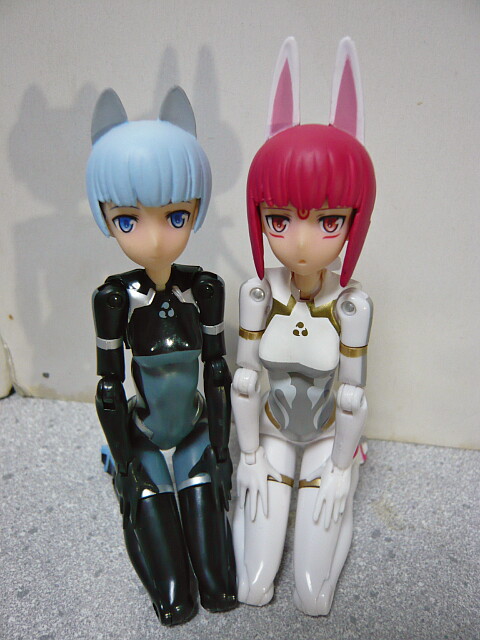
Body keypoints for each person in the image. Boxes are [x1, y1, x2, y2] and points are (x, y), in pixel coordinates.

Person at [232, 37, 376, 616]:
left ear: (354, 219)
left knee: (314, 597)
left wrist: (342, 469)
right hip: (268, 436)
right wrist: (247, 456)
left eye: (328, 221)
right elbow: (245, 381)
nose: (299, 241)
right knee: (253, 587)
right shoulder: (258, 294)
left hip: (324, 442)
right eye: (279, 219)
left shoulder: (352, 306)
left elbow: (353, 394)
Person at [87, 86, 236, 626]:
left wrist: (220, 451)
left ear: (196, 209)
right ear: (106, 216)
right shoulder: (115, 298)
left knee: (219, 588)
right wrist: (125, 463)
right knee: (174, 596)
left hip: (194, 429)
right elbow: (108, 386)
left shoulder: (205, 289)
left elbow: (216, 371)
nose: (153, 240)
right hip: (145, 435)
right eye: (128, 220)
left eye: (175, 217)